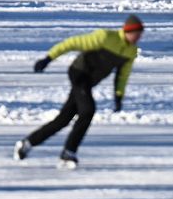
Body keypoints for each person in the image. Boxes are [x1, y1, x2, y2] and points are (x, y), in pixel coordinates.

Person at [15, 16, 144, 169]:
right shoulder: (105, 37)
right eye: (136, 33)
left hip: (89, 82)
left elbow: (122, 75)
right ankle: (69, 152)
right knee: (88, 110)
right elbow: (71, 43)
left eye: (140, 34)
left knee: (63, 119)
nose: (138, 37)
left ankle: (27, 143)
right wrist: (48, 58)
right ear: (128, 31)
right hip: (79, 73)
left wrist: (118, 95)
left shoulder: (131, 51)